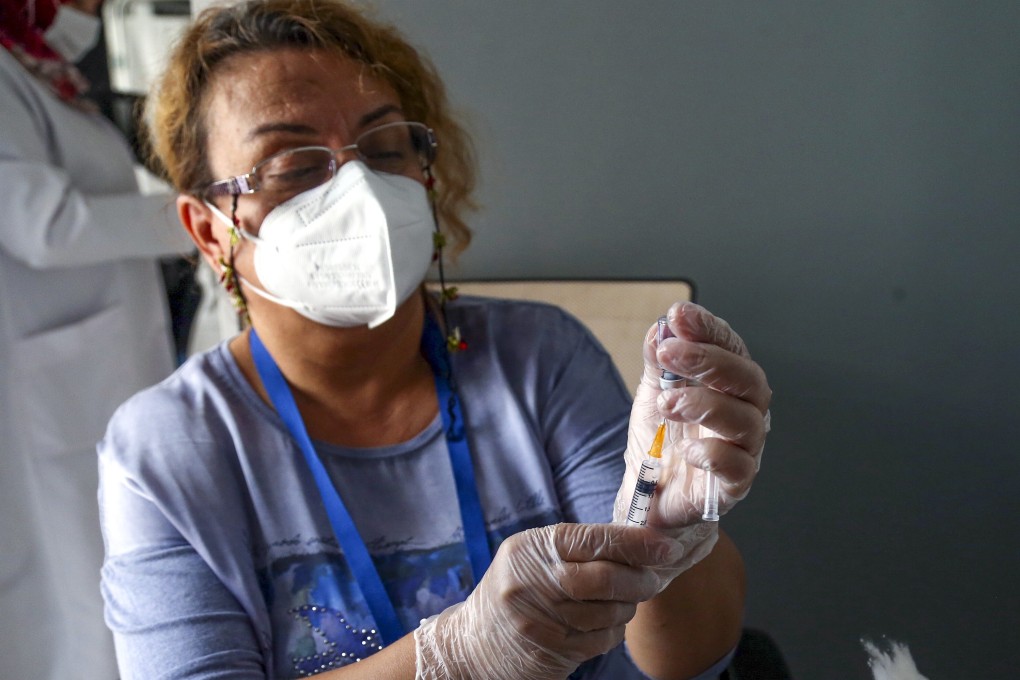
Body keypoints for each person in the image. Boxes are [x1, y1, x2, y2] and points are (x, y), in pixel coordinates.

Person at [96, 0, 772, 678]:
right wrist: (452, 657)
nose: (358, 187)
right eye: (293, 165)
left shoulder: (540, 357)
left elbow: (686, 661)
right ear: (210, 231)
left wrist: (667, 539)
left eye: (385, 148)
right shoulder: (167, 450)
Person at [0, 0, 193, 677]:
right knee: (78, 585)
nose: (91, 10)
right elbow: (45, 226)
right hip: (49, 385)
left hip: (82, 365)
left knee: (106, 569)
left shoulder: (34, 66)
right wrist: (203, 217)